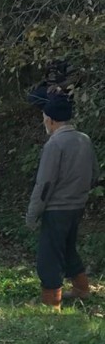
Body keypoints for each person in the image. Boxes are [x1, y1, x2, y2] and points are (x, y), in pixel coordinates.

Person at [25, 92, 99, 310]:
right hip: (77, 205)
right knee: (67, 248)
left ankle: (51, 304)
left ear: (52, 120)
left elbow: (44, 184)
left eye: (44, 118)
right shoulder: (84, 139)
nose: (44, 122)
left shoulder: (55, 144)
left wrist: (32, 214)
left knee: (49, 254)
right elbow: (94, 173)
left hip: (57, 207)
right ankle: (81, 289)